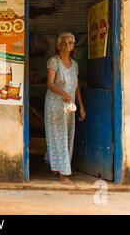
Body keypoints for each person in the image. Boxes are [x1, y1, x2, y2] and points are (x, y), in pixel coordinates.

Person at [44, 32, 86, 185]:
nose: (68, 46)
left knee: (68, 135)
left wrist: (81, 106)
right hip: (55, 104)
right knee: (57, 135)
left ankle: (56, 165)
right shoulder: (53, 62)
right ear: (59, 45)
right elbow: (49, 83)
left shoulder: (74, 64)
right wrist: (63, 93)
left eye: (71, 43)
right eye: (65, 43)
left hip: (69, 106)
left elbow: (76, 87)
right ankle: (63, 173)